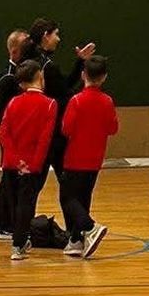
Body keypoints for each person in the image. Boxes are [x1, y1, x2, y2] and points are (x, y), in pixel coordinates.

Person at [26, 17, 96, 191]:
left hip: (36, 131)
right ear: (45, 36)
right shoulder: (47, 67)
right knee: (67, 186)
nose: (58, 39)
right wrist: (86, 82)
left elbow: (62, 86)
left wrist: (80, 61)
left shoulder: (31, 60)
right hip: (53, 134)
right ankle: (80, 219)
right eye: (56, 34)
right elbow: (65, 95)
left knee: (31, 187)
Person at [58, 55, 117, 258]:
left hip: (75, 157)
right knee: (83, 197)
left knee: (67, 197)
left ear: (83, 75)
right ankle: (75, 240)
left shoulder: (76, 101)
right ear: (104, 77)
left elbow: (66, 128)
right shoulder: (107, 101)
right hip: (95, 158)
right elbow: (113, 128)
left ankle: (90, 226)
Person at [0, 60, 56, 262]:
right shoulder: (49, 104)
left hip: (11, 163)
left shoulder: (13, 103)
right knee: (26, 204)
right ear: (40, 76)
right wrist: (32, 164)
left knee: (15, 203)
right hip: (32, 165)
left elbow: (4, 133)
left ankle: (20, 240)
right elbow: (44, 138)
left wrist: (15, 159)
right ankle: (18, 244)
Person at [0, 29, 29, 240]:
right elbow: (4, 115)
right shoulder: (8, 78)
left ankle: (9, 221)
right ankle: (2, 224)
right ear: (15, 52)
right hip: (10, 137)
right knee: (9, 178)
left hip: (19, 136)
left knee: (12, 179)